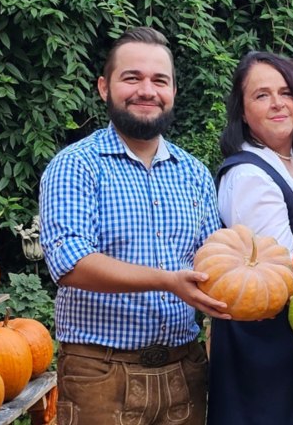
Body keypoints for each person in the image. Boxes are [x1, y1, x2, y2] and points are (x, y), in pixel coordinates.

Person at [39, 26, 230, 425]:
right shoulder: (76, 165)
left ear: (173, 91)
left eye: (159, 80)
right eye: (132, 78)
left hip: (185, 371)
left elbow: (216, 259)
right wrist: (167, 281)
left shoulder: (193, 172)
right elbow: (70, 263)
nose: (147, 90)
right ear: (104, 87)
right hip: (100, 376)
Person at [207, 51, 293, 425]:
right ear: (242, 111)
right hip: (267, 343)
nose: (277, 103)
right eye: (261, 95)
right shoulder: (250, 175)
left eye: (286, 91)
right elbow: (278, 271)